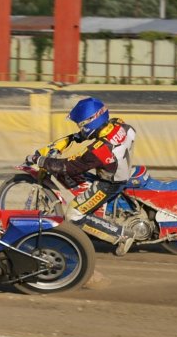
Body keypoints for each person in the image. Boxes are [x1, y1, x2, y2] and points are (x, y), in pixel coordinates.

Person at [26, 96, 137, 256]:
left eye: (81, 124)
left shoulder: (98, 150)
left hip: (110, 183)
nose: (80, 127)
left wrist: (40, 160)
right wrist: (79, 136)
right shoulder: (120, 125)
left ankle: (122, 235)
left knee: (73, 214)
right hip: (120, 169)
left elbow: (69, 167)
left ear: (91, 121)